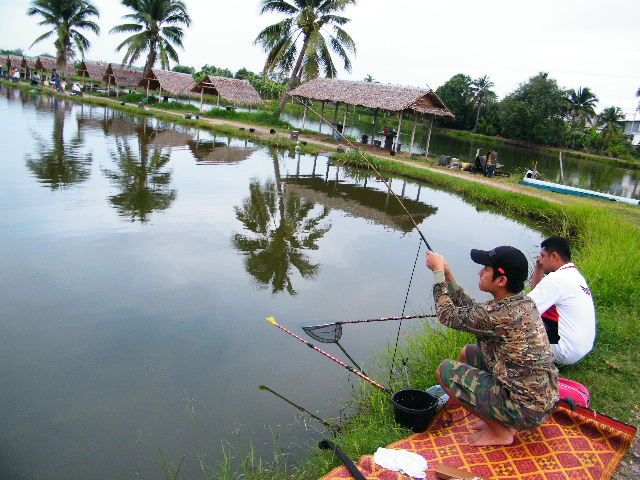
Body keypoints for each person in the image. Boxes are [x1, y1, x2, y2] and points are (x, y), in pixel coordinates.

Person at [426, 246, 558, 446]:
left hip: (526, 410)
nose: (480, 273)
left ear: (501, 280)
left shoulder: (497, 314)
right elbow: (472, 310)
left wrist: (437, 274)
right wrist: (448, 275)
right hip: (540, 401)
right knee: (468, 353)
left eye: (486, 269)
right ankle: (498, 419)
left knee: (445, 370)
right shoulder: (523, 302)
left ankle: (502, 433)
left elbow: (447, 316)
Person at [528, 237, 596, 365]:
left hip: (564, 351)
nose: (540, 260)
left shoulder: (556, 279)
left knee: (515, 329)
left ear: (554, 256)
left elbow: (524, 309)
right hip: (580, 348)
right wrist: (539, 269)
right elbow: (537, 293)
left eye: (542, 256)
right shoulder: (573, 275)